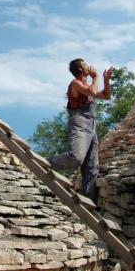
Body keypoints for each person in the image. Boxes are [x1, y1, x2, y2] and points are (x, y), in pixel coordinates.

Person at [49, 59, 114, 203]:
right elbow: (92, 91)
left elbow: (106, 96)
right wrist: (96, 77)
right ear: (79, 68)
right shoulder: (76, 84)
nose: (89, 65)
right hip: (79, 121)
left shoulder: (86, 85)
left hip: (91, 123)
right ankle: (47, 164)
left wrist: (105, 79)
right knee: (76, 158)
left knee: (92, 166)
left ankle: (89, 202)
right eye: (85, 64)